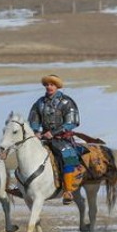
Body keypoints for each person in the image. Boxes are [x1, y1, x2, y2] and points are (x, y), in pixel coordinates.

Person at [28, 74, 82, 205]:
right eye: (47, 85)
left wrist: (53, 133)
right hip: (43, 139)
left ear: (57, 86)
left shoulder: (66, 101)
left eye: (51, 85)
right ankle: (24, 187)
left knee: (67, 156)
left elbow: (72, 121)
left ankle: (68, 190)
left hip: (62, 139)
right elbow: (34, 118)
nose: (49, 87)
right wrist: (36, 131)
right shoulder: (39, 102)